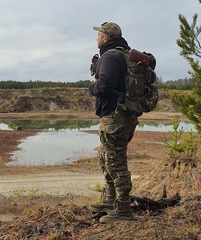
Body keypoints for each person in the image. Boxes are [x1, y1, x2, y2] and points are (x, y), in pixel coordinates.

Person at [88, 22, 138, 223]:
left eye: (98, 35)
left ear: (105, 38)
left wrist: (92, 87)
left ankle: (124, 209)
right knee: (105, 156)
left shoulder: (110, 57)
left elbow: (105, 84)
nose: (96, 38)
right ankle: (110, 199)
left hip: (115, 116)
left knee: (116, 162)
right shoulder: (125, 55)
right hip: (124, 115)